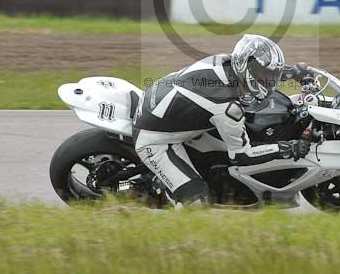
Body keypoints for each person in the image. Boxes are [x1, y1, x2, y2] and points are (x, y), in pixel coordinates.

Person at [133, 34, 311, 206]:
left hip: (159, 105)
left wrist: (293, 72)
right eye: (263, 73)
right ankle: (153, 189)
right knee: (197, 202)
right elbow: (243, 155)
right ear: (246, 68)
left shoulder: (228, 62)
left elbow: (262, 71)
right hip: (155, 140)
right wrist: (287, 148)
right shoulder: (226, 106)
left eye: (271, 74)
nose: (270, 79)